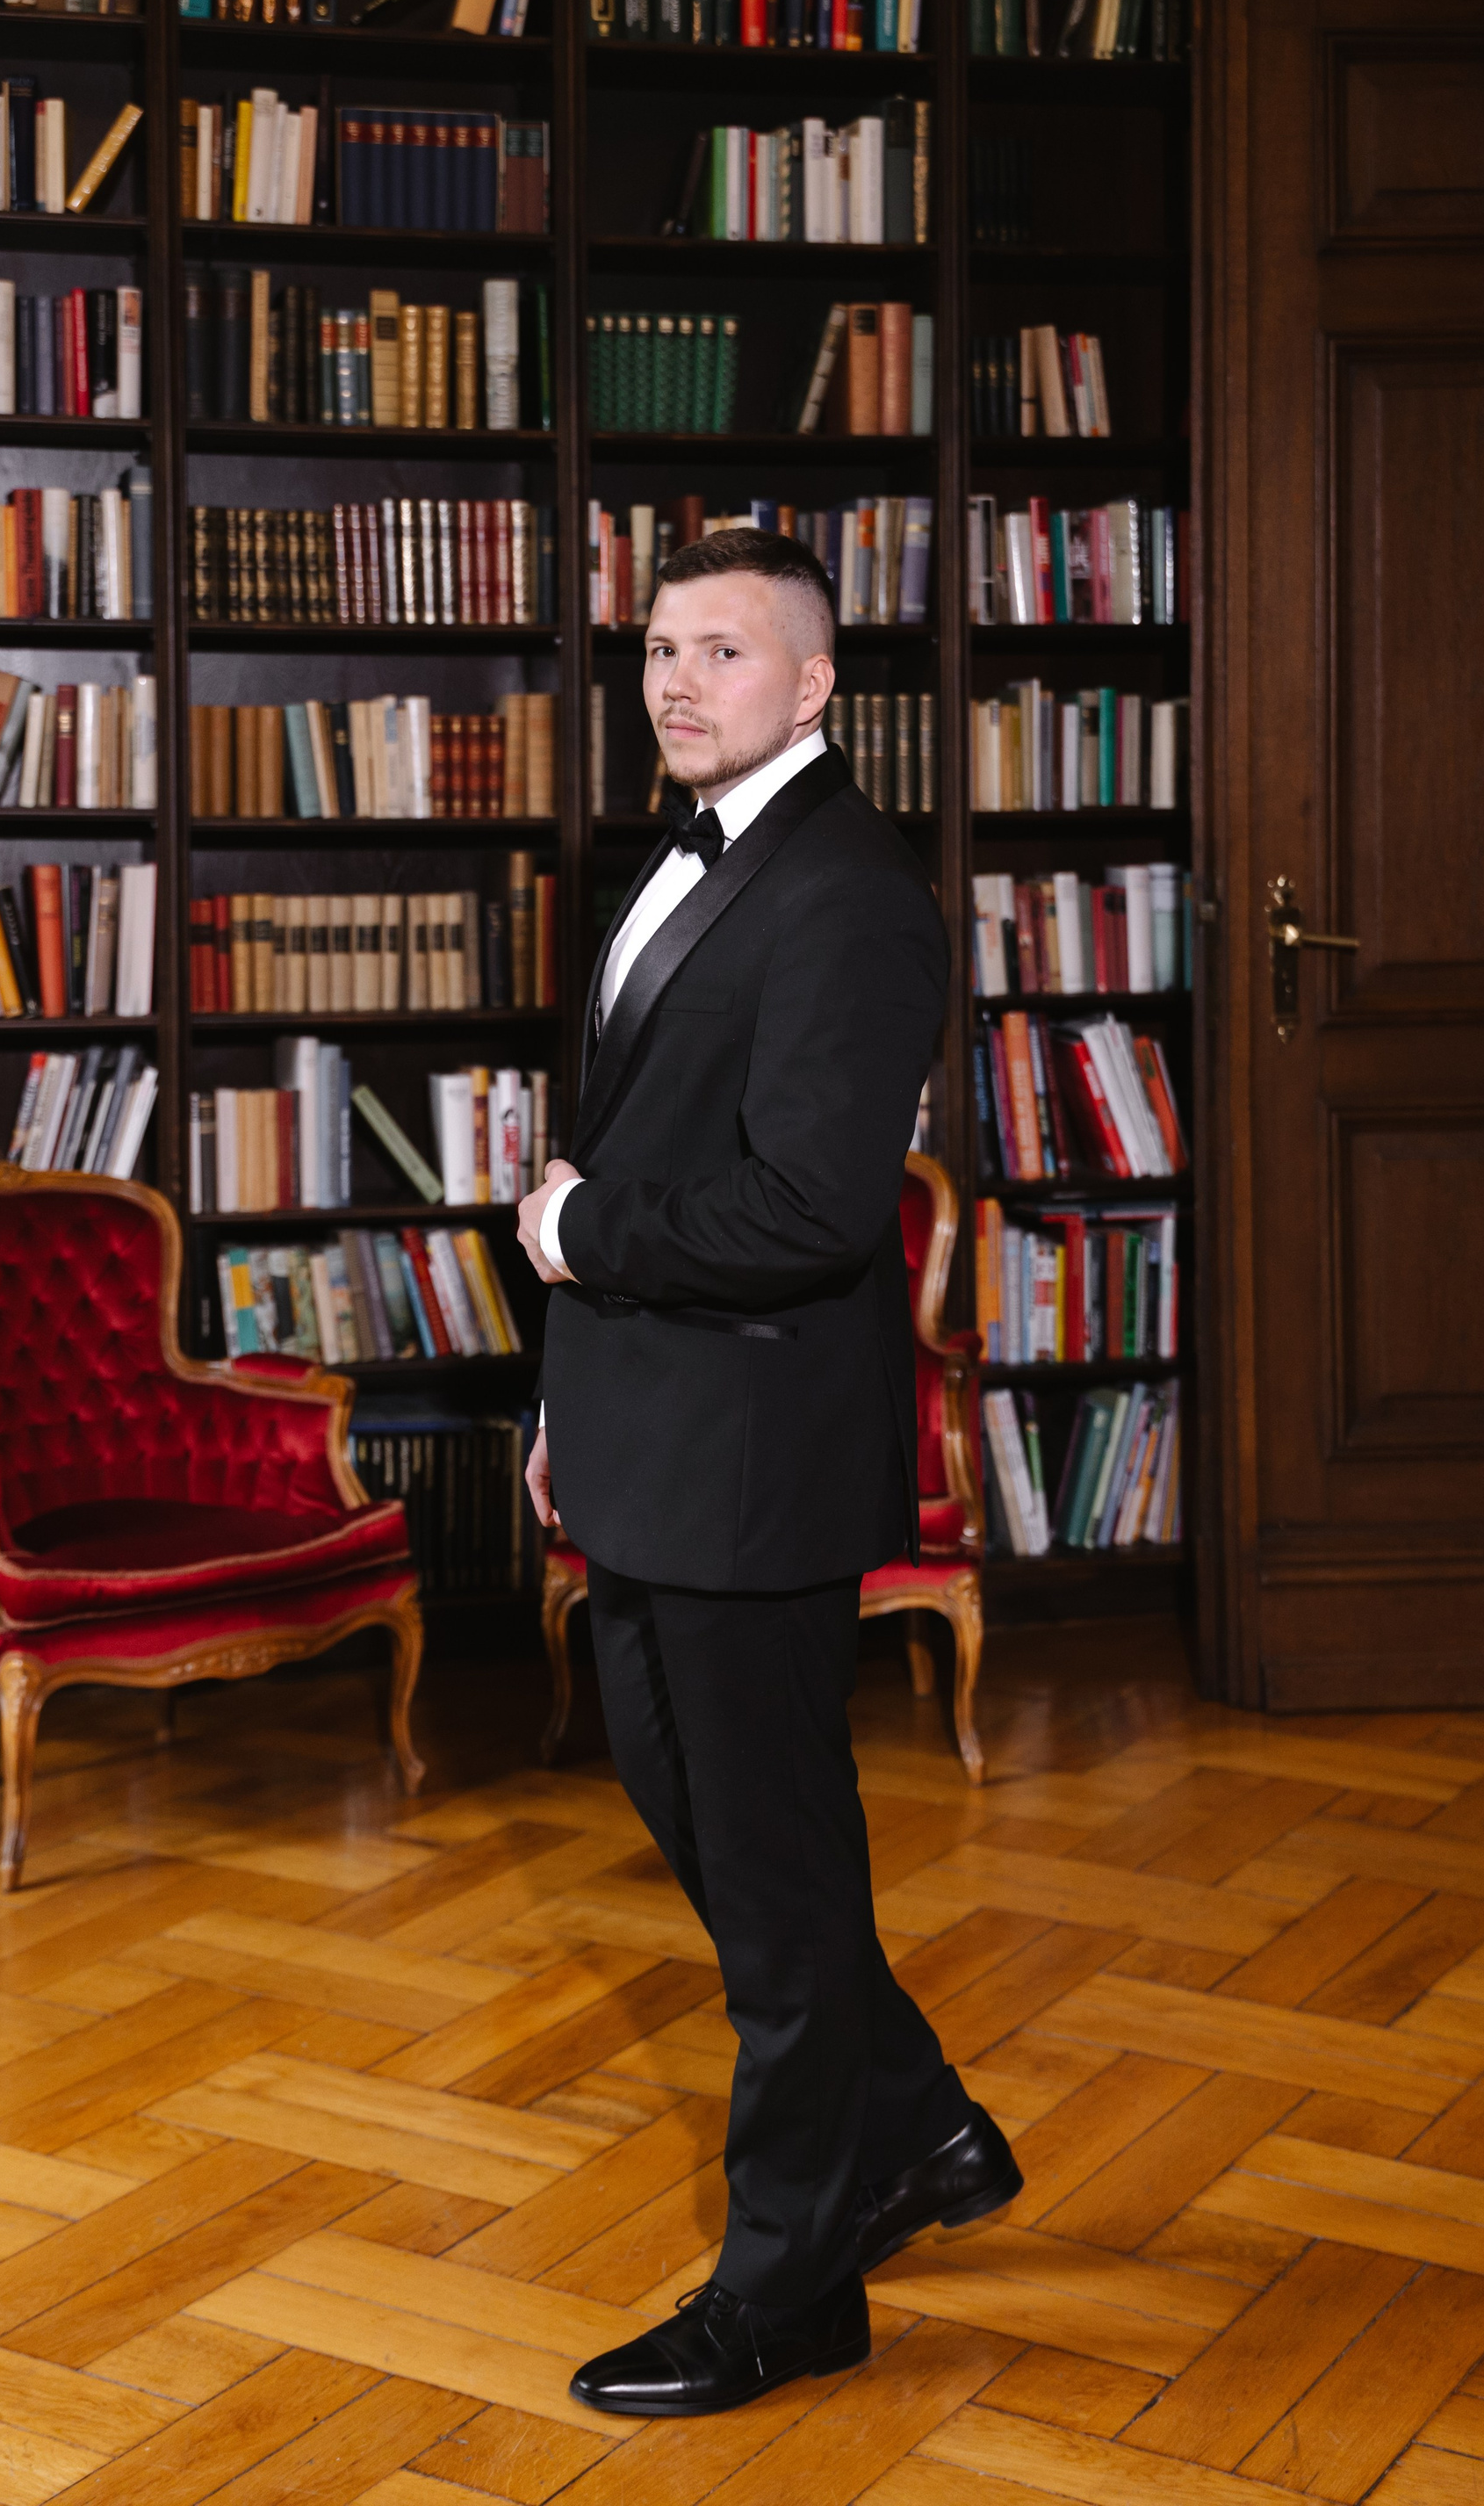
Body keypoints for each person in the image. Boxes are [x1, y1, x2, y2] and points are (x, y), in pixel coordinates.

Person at [516, 529, 1019, 2419]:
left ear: (813, 685)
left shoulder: (852, 894)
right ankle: (922, 2125)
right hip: (647, 1432)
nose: (675, 680)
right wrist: (571, 1395)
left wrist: (581, 1238)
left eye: (722, 651)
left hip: (756, 1459)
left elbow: (812, 1209)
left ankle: (790, 2289)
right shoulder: (684, 856)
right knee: (710, 1830)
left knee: (780, 1886)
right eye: (660, 647)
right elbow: (647, 1135)